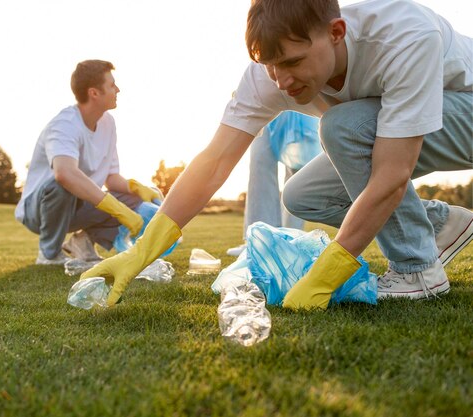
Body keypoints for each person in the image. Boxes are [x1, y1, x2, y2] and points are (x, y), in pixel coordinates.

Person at [82, 0, 473, 309]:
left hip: (465, 111)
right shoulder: (268, 73)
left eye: (292, 62)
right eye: (270, 66)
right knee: (303, 196)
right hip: (404, 127)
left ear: (336, 32)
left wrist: (324, 276)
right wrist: (142, 252)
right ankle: (439, 226)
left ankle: (418, 270)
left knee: (341, 126)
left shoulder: (403, 36)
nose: (282, 81)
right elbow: (214, 161)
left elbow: (392, 173)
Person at [14, 60, 162, 265]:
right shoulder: (65, 124)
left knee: (131, 197)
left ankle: (83, 242)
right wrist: (117, 209)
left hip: (78, 207)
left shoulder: (108, 123)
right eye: (112, 85)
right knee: (63, 185)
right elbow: (64, 174)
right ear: (94, 93)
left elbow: (111, 178)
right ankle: (49, 254)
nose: (118, 89)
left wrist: (136, 187)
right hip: (39, 211)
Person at [226, 111, 321, 257]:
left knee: (297, 170)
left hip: (301, 110)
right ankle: (258, 240)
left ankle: (292, 240)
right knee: (259, 163)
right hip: (266, 105)